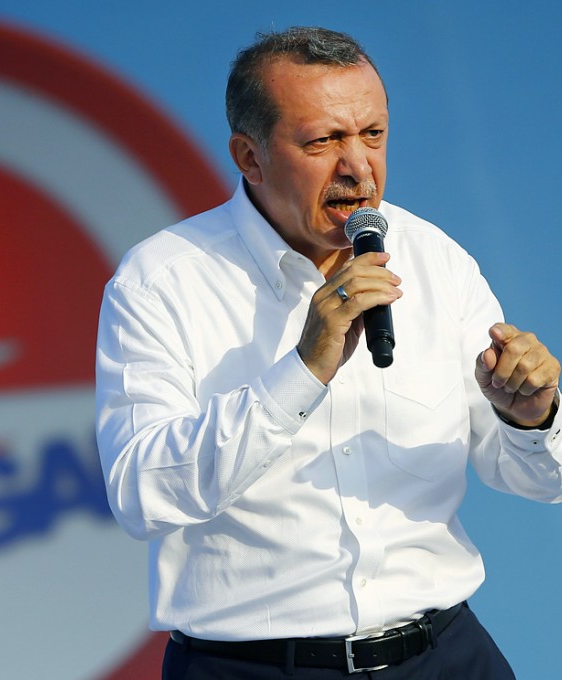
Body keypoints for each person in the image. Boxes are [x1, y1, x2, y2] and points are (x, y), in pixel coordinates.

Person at [95, 26, 561, 679]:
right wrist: (302, 371)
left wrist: (533, 417)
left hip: (446, 657)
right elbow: (141, 495)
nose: (358, 167)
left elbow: (543, 479)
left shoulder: (438, 261)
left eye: (373, 134)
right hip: (251, 667)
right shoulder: (162, 282)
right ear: (249, 156)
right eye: (323, 141)